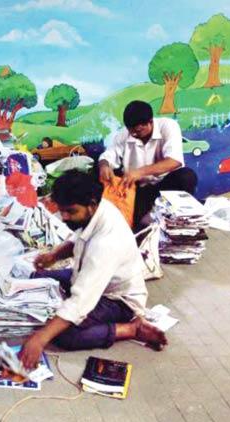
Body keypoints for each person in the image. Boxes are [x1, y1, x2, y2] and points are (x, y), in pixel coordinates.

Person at [18, 170, 167, 369]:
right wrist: (53, 256)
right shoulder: (98, 209)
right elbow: (79, 236)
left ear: (91, 205)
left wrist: (40, 338)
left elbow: (81, 302)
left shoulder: (106, 244)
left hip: (116, 300)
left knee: (64, 336)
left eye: (70, 211)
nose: (64, 217)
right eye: (62, 210)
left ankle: (131, 329)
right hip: (84, 275)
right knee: (36, 278)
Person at [98, 100, 197, 229]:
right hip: (137, 189)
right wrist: (104, 166)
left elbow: (174, 161)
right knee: (135, 224)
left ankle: (169, 218)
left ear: (150, 122)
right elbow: (108, 156)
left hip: (164, 187)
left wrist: (140, 172)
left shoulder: (168, 126)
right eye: (131, 131)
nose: (134, 135)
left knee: (187, 176)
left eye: (138, 131)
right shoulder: (124, 134)